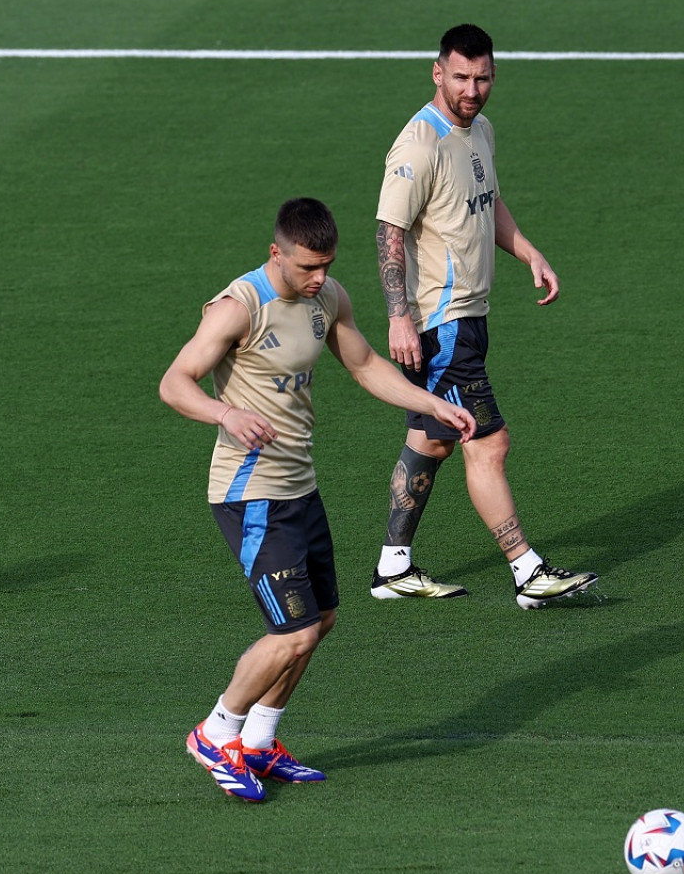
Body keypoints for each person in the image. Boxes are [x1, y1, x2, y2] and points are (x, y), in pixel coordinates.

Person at [160, 198, 475, 802]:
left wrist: (431, 403)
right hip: (249, 492)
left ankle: (259, 741)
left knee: (322, 620)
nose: (319, 278)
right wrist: (226, 412)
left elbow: (362, 364)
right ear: (276, 252)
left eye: (327, 265)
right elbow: (175, 383)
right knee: (295, 631)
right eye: (307, 267)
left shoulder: (326, 299)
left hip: (299, 486)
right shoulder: (239, 307)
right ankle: (214, 732)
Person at [369, 23, 598, 610]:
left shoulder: (480, 132)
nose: (473, 89)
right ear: (437, 72)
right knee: (487, 443)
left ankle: (392, 567)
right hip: (440, 322)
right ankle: (528, 572)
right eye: (462, 77)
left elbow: (486, 201)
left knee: (433, 438)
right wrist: (399, 316)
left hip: (470, 316)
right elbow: (389, 231)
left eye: (483, 77)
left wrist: (528, 251)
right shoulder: (419, 144)